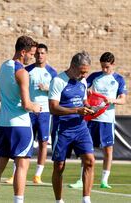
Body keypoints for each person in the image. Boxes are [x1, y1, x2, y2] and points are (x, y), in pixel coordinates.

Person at [0, 35, 40, 203]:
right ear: (22, 52)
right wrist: (35, 107)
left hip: (4, 123)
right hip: (21, 126)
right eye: (31, 54)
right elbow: (26, 104)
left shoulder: (3, 67)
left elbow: (2, 98)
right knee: (22, 166)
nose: (33, 57)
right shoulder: (22, 72)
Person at [69, 52, 127, 189]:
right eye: (102, 67)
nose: (104, 70)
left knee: (108, 150)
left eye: (106, 67)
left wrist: (112, 100)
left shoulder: (119, 79)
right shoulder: (95, 76)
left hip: (107, 120)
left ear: (113, 65)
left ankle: (104, 180)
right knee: (86, 149)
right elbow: (81, 86)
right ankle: (81, 179)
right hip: (91, 118)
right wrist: (87, 91)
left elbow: (123, 99)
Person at [49, 51, 95, 203]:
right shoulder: (58, 81)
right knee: (59, 166)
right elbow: (53, 108)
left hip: (81, 128)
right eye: (82, 72)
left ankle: (86, 200)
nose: (84, 75)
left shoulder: (82, 81)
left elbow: (83, 101)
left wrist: (90, 106)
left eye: (86, 72)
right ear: (73, 67)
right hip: (62, 129)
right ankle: (59, 200)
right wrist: (76, 110)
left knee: (90, 161)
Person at [26, 43, 57, 183]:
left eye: (42, 53)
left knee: (43, 142)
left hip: (44, 112)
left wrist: (47, 88)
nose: (40, 55)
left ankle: (37, 175)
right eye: (37, 53)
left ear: (46, 54)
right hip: (29, 110)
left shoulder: (52, 72)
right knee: (25, 141)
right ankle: (16, 172)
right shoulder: (27, 70)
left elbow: (58, 92)